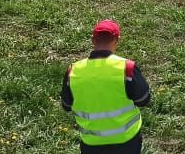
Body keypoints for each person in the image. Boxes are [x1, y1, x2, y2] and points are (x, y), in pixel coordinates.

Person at [62, 19, 152, 154]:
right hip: (126, 141)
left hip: (91, 143)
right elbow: (143, 100)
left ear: (93, 40)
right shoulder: (127, 68)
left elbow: (66, 105)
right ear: (117, 40)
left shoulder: (73, 71)